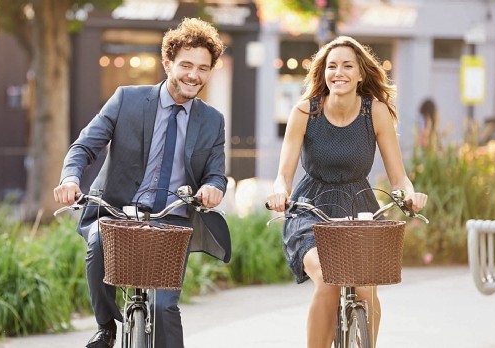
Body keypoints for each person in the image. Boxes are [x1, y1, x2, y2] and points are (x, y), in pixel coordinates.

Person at [53, 18, 230, 348]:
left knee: (164, 307)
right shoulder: (127, 100)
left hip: (173, 218)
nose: (194, 75)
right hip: (117, 210)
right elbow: (84, 147)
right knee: (97, 244)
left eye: (203, 68)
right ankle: (106, 328)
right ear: (167, 63)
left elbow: (216, 173)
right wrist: (70, 178)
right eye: (186, 65)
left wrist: (213, 187)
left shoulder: (212, 120)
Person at [265, 35, 428, 347]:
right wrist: (278, 195)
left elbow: (399, 178)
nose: (338, 72)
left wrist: (409, 194)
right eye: (331, 66)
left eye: (347, 66)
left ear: (360, 74)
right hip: (311, 209)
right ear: (323, 73)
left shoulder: (375, 112)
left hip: (358, 209)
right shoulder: (305, 112)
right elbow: (282, 177)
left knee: (366, 291)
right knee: (329, 279)